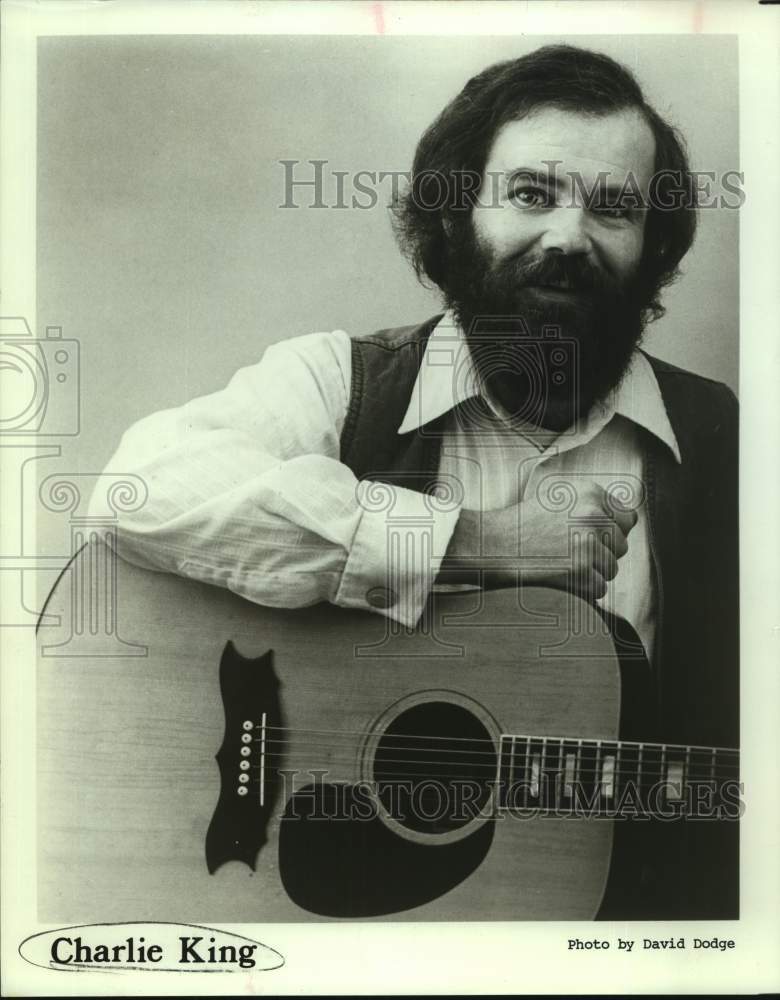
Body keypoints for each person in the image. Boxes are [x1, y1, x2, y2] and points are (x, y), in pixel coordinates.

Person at [91, 44, 739, 919]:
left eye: (615, 208)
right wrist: (469, 540)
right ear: (456, 213)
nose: (569, 238)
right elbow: (137, 488)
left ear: (653, 247)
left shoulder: (730, 446)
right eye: (532, 194)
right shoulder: (339, 383)